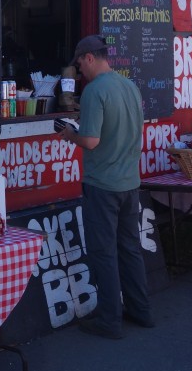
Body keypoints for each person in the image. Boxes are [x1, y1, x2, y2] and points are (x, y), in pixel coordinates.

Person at [58, 34, 152, 339]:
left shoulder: (94, 91)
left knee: (104, 253)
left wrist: (70, 136)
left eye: (79, 65)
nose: (79, 71)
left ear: (88, 58)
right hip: (130, 182)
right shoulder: (129, 86)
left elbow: (91, 140)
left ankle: (110, 320)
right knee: (130, 248)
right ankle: (141, 311)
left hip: (102, 185)